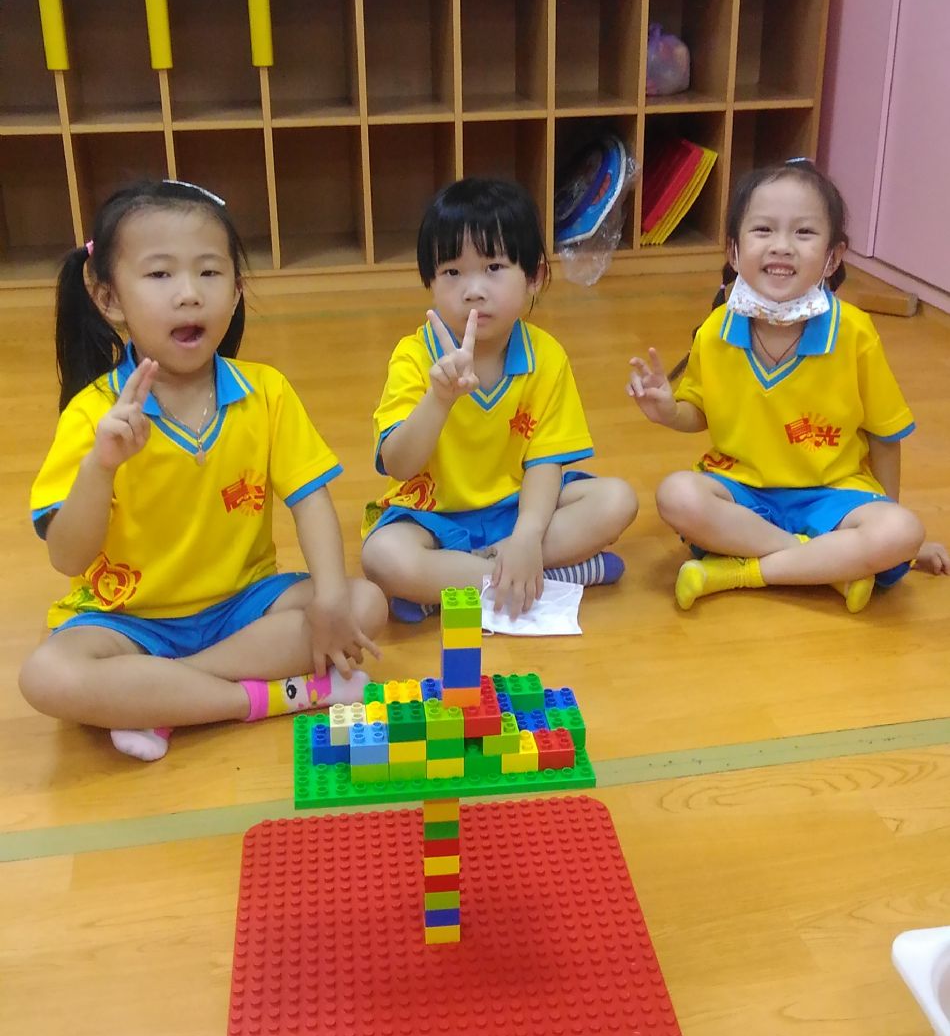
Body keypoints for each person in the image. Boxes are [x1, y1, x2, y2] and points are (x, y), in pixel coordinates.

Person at [20, 178, 386, 760]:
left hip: (243, 606)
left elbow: (310, 499)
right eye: (160, 274)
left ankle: (162, 698)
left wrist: (331, 598)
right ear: (108, 298)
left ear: (237, 291)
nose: (189, 294)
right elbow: (67, 557)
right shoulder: (92, 413)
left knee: (363, 603)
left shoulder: (266, 392)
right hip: (128, 621)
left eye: (210, 272)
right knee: (46, 676)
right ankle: (266, 698)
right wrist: (101, 467)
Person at [628, 160, 948, 610]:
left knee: (902, 530)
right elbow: (698, 411)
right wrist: (667, 411)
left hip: (833, 494)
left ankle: (740, 571)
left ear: (833, 257)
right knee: (676, 495)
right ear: (734, 251)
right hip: (743, 492)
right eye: (763, 230)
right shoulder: (716, 330)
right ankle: (826, 567)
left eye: (804, 232)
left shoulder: (854, 332)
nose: (782, 246)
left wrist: (885, 514)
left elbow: (885, 434)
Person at [361, 176, 638, 621]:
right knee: (383, 557)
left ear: (534, 277)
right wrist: (439, 399)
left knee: (617, 500)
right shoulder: (414, 356)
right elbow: (399, 465)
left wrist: (527, 536)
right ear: (430, 282)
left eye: (493, 267)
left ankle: (457, 584)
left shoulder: (546, 356)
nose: (473, 289)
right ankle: (543, 576)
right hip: (435, 517)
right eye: (452, 272)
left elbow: (545, 462)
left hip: (518, 510)